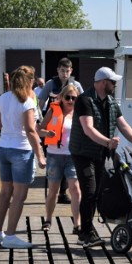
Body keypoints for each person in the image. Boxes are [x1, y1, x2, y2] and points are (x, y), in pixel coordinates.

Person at [69, 66, 132, 248]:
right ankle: (86, 233)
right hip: (83, 152)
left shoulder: (111, 101)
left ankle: (86, 230)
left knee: (96, 192)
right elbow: (88, 129)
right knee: (89, 191)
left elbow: (123, 125)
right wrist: (108, 142)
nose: (115, 85)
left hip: (100, 152)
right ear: (104, 82)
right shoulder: (84, 100)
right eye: (113, 82)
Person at [0, 66, 46, 249]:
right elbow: (31, 131)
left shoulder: (2, 97)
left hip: (3, 148)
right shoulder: (27, 101)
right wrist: (40, 155)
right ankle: (11, 236)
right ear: (29, 81)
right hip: (21, 149)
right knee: (19, 196)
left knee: (5, 192)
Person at [38, 58, 84, 204]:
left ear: (71, 71)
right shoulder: (50, 84)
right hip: (54, 124)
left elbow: (83, 103)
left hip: (70, 125)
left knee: (69, 162)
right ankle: (54, 191)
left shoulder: (76, 85)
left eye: (67, 71)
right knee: (55, 160)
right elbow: (40, 102)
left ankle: (63, 193)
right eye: (62, 70)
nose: (65, 73)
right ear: (58, 70)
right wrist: (40, 119)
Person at [38, 84, 81, 234]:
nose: (70, 100)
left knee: (75, 190)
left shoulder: (80, 113)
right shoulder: (53, 111)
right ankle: (48, 219)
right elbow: (39, 130)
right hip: (54, 156)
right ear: (61, 97)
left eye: (73, 98)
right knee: (53, 192)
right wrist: (47, 133)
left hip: (72, 157)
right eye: (67, 97)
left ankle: (77, 224)